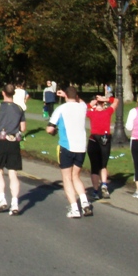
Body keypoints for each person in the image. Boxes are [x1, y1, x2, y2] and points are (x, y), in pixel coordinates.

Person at [47, 86, 92, 218]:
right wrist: (71, 95)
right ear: (77, 96)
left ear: (65, 96)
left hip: (66, 147)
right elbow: (81, 101)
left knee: (67, 178)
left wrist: (53, 131)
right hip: (81, 147)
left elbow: (50, 129)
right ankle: (84, 202)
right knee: (76, 176)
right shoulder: (82, 107)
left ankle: (74, 208)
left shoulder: (61, 109)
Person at [0, 84, 27, 216]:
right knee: (13, 173)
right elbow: (23, 128)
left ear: (3, 93)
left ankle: (2, 198)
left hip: (0, 141)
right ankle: (14, 203)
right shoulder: (19, 109)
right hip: (13, 142)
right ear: (13, 93)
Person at [87, 94, 118, 199]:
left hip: (93, 139)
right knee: (103, 165)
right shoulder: (107, 112)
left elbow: (84, 109)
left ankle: (96, 191)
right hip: (105, 139)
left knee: (94, 168)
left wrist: (91, 104)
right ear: (104, 104)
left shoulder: (91, 113)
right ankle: (104, 184)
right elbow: (116, 101)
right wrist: (105, 99)